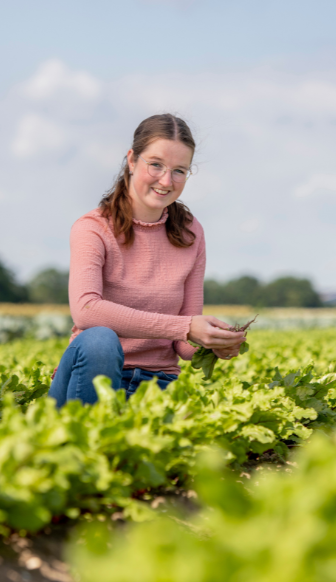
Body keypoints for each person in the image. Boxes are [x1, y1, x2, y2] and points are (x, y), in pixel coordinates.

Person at [48, 114, 246, 407]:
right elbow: (86, 311)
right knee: (100, 340)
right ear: (131, 160)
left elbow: (182, 340)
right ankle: (83, 440)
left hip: (157, 387)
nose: (166, 181)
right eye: (156, 165)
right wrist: (185, 326)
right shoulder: (92, 228)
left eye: (179, 170)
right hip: (91, 382)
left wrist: (213, 344)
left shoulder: (190, 232)